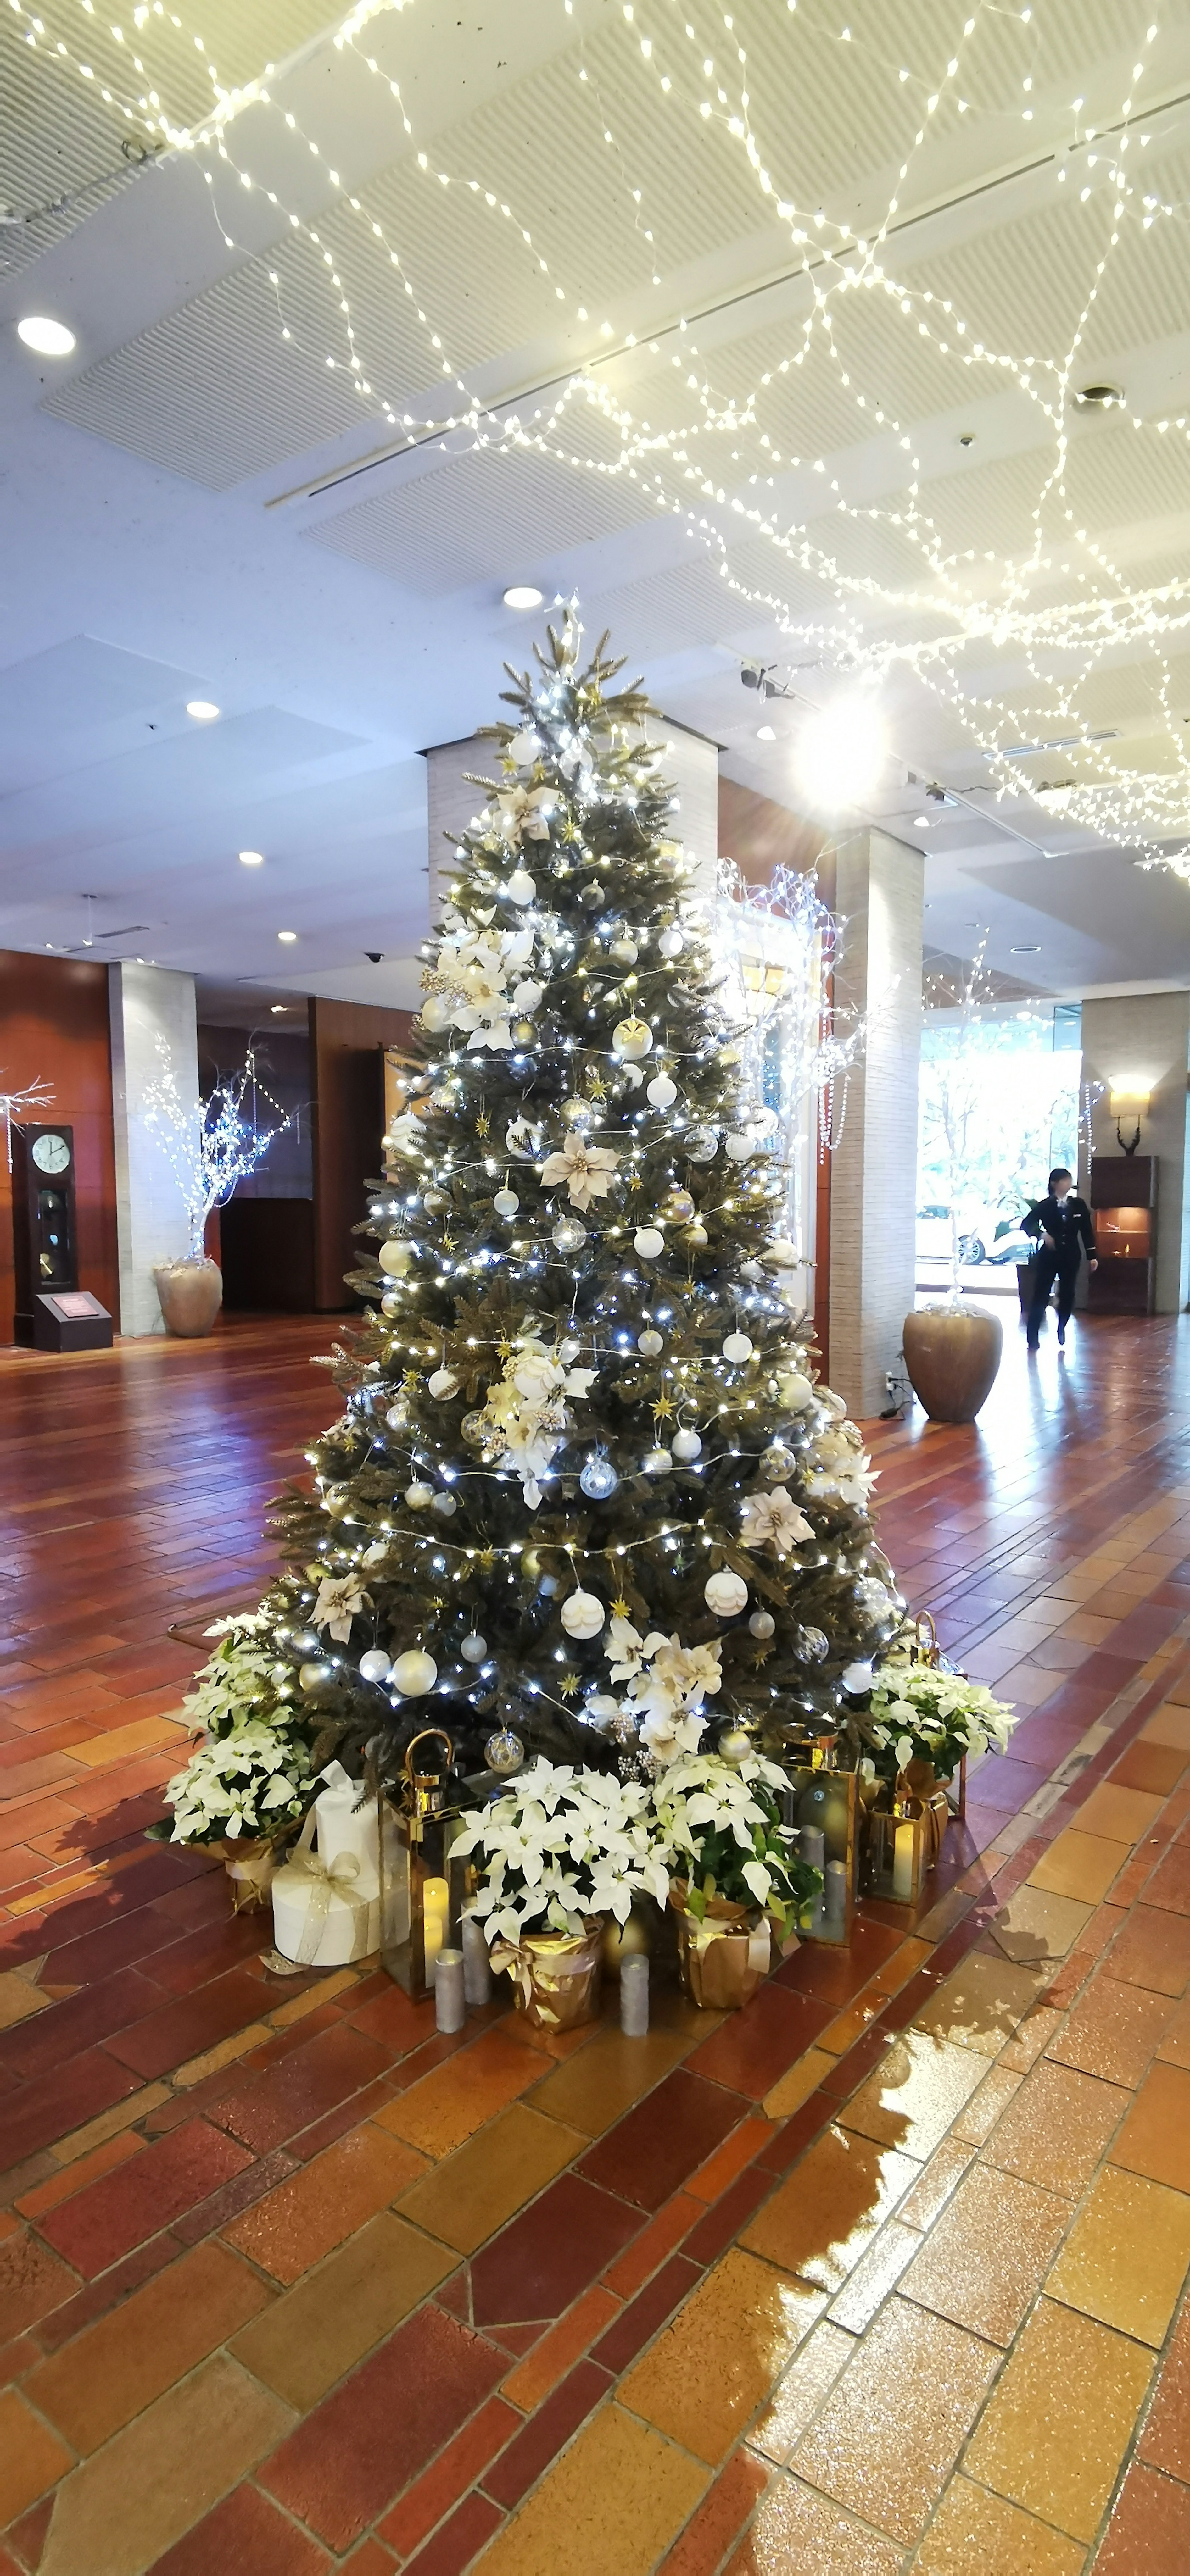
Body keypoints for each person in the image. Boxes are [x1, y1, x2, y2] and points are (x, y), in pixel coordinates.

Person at [1022, 1168, 1097, 1348]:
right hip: (1049, 1256)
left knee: (1068, 1293)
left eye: (1069, 1180)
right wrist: (1043, 1235)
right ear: (1055, 1184)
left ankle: (1062, 1327)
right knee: (1041, 1294)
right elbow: (1027, 1225)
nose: (1068, 1184)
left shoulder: (1079, 1205)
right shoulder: (1045, 1205)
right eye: (1064, 1181)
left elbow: (1087, 1232)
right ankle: (1033, 1335)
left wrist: (1092, 1256)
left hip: (1071, 1255)